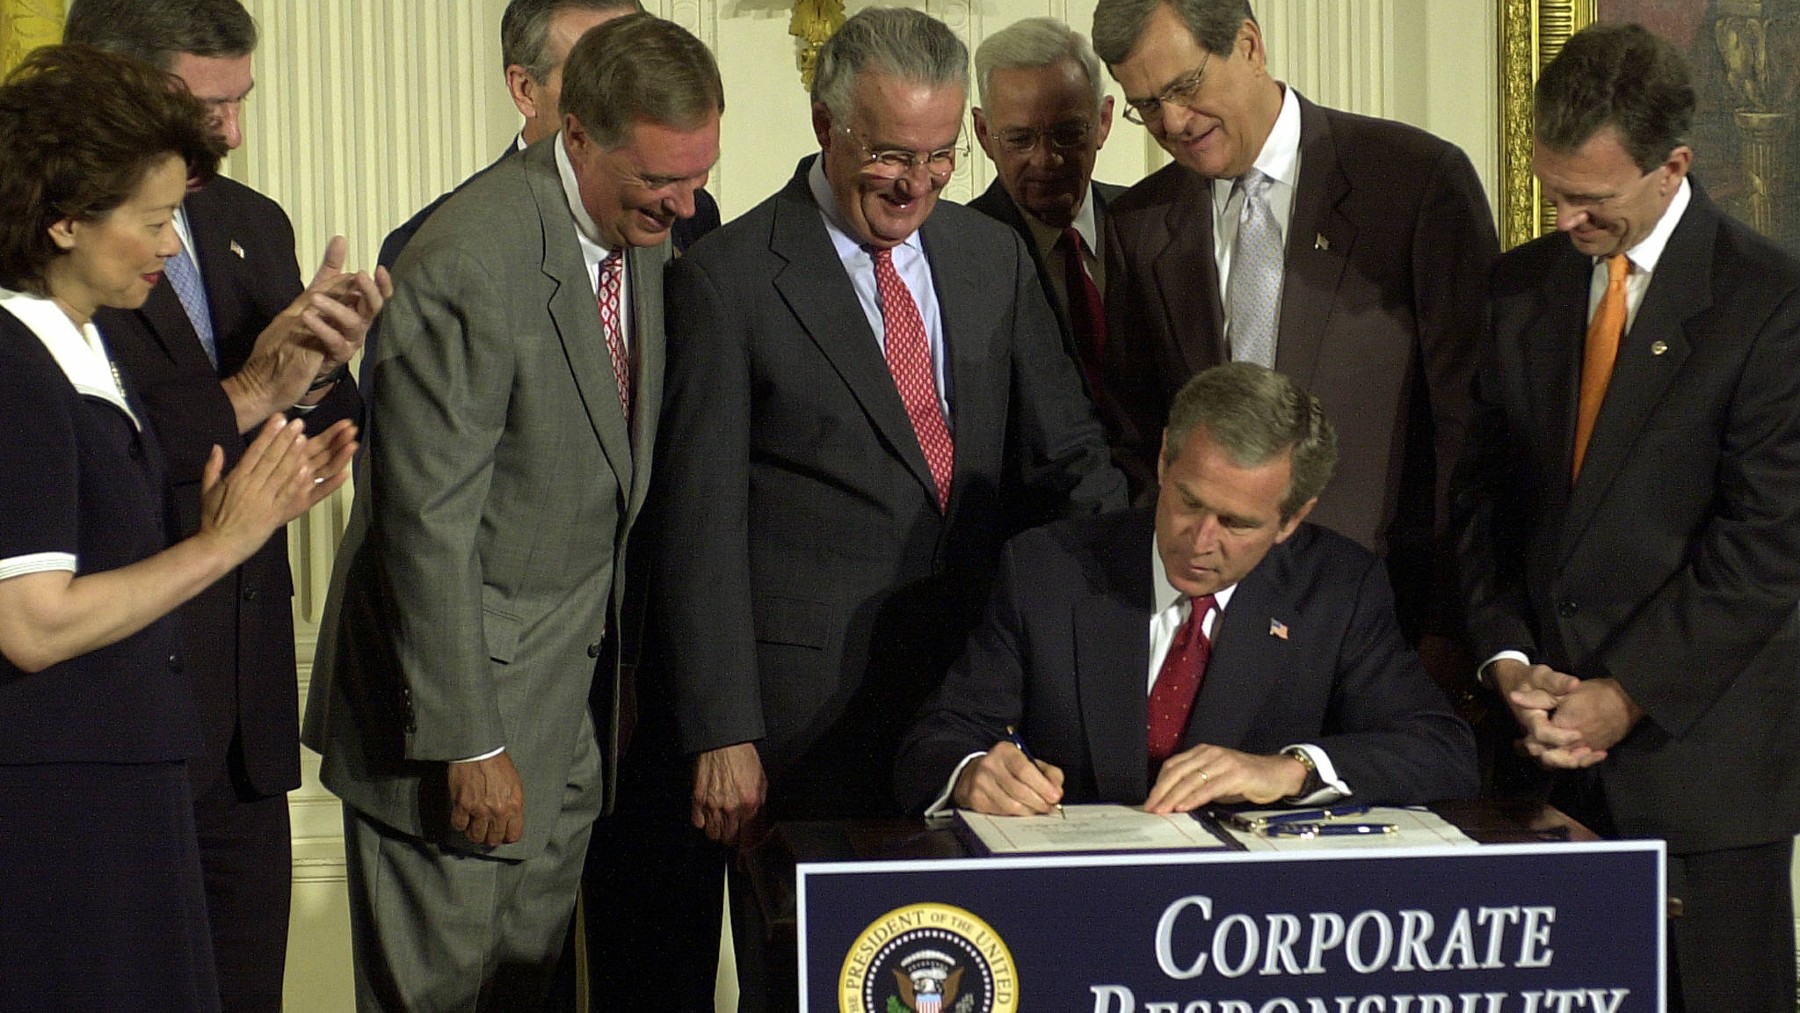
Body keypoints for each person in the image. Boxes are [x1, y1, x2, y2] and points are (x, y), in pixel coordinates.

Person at [652, 8, 1126, 1006]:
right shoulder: (730, 279)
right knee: (812, 980)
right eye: (890, 155)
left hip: (979, 703)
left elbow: (1070, 452)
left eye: (941, 156)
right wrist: (721, 726)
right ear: (826, 124)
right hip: (803, 724)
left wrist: (1119, 613)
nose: (916, 183)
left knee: (982, 975)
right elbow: (697, 525)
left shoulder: (990, 257)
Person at [301, 13, 720, 1010]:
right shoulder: (466, 263)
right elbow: (426, 531)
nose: (687, 201)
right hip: (455, 738)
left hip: (563, 724)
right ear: (576, 135)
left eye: (699, 172)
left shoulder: (644, 240)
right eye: (663, 178)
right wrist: (471, 743)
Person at [1451, 22, 1800, 1013]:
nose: (1564, 218)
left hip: (1695, 773)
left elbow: (1763, 554)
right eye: (1552, 190)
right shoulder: (1521, 286)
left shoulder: (1768, 304)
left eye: (1590, 200)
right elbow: (1481, 500)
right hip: (1536, 759)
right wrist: (1506, 658)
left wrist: (1625, 692)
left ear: (1671, 168)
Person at [0, 44, 355, 1011]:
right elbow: (30, 624)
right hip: (64, 808)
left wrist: (245, 501)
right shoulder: (17, 369)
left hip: (128, 780)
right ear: (66, 220)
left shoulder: (79, 351)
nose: (171, 245)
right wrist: (222, 540)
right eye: (154, 221)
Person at [1090, 0, 1497, 651]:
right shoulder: (1140, 222)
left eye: (1183, 87)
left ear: (1249, 45)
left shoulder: (1414, 182)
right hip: (1207, 635)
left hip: (1391, 619)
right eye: (1144, 105)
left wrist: (1458, 623)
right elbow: (1137, 432)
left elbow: (1473, 425)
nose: (1169, 122)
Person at [897, 363, 1475, 816]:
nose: (1200, 540)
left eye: (1236, 523)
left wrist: (1291, 770)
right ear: (1166, 456)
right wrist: (972, 772)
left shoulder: (1337, 589)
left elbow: (1441, 749)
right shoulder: (1048, 569)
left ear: (1292, 520)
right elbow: (937, 742)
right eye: (1188, 502)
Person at [373, 0, 720, 275]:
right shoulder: (436, 247)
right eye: (591, 75)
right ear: (525, 89)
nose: (629, 99)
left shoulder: (691, 213)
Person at [968, 17, 1123, 410]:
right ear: (985, 135)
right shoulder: (958, 254)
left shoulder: (1147, 224)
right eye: (1020, 139)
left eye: (1069, 133)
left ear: (1103, 122)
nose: (1047, 159)